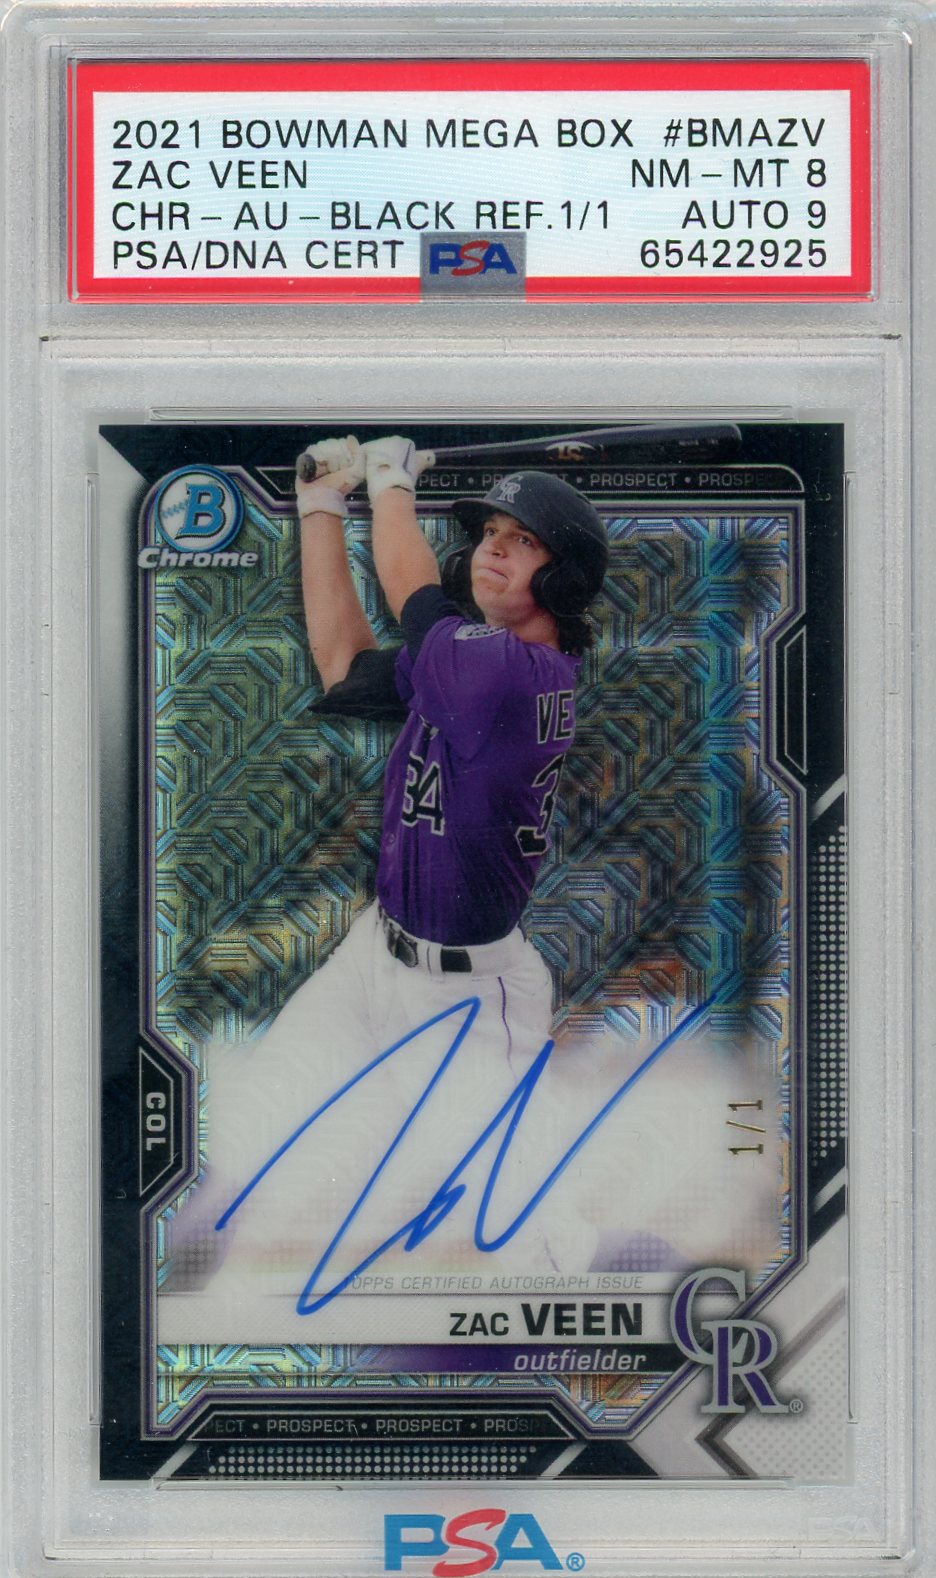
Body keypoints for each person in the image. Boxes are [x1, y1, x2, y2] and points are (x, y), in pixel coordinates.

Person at [167, 435, 609, 1299]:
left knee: (508, 1215)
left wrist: (390, 483)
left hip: (466, 997)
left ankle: (582, 1305)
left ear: (563, 581)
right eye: (490, 532)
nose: (493, 548)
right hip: (380, 950)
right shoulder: (471, 660)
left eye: (523, 541)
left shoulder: (514, 674)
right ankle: (191, 1271)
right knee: (264, 1106)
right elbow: (345, 665)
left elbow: (413, 594)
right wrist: (321, 508)